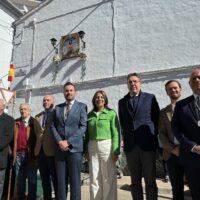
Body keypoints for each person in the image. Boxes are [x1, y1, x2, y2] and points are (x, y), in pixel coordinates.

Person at [118, 73, 160, 200]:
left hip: (147, 146)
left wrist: (153, 138)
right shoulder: (122, 102)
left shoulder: (150, 98)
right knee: (135, 182)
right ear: (127, 84)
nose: (133, 84)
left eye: (135, 81)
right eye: (130, 82)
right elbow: (123, 123)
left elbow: (156, 119)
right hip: (131, 147)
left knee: (150, 181)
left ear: (140, 83)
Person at [51, 82, 87, 200]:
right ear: (63, 92)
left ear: (75, 92)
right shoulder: (57, 108)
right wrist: (60, 141)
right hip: (60, 149)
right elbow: (53, 126)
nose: (69, 92)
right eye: (66, 90)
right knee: (61, 182)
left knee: (75, 181)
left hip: (75, 149)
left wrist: (69, 142)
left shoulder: (82, 106)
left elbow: (83, 127)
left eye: (71, 90)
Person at [85, 90, 120, 200]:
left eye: (102, 97)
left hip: (107, 145)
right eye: (97, 97)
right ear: (94, 100)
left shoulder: (111, 113)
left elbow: (116, 133)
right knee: (94, 176)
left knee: (108, 176)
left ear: (105, 99)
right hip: (92, 146)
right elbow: (86, 135)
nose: (99, 99)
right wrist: (86, 150)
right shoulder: (89, 115)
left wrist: (116, 150)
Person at [172, 69, 200, 200]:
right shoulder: (181, 105)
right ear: (189, 84)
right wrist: (192, 146)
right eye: (193, 79)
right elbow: (176, 128)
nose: (197, 80)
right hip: (192, 156)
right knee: (196, 192)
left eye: (199, 77)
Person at [159, 80, 184, 200]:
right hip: (172, 154)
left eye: (175, 88)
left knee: (196, 186)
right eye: (170, 89)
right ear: (167, 92)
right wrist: (172, 149)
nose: (173, 90)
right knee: (176, 188)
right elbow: (162, 134)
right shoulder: (164, 112)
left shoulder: (191, 105)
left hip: (191, 152)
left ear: (180, 88)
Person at [13, 103, 41, 200]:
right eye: (21, 109)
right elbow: (12, 140)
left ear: (29, 110)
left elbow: (39, 138)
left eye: (25, 109)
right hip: (18, 156)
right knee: (20, 181)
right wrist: (11, 152)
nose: (23, 111)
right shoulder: (16, 123)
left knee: (32, 181)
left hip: (31, 156)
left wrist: (36, 154)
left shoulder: (34, 122)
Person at [35, 95, 57, 200]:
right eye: (44, 100)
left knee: (55, 178)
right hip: (40, 152)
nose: (46, 102)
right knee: (44, 179)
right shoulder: (37, 116)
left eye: (48, 100)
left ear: (53, 102)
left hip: (52, 152)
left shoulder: (57, 114)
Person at [0, 99, 14, 199]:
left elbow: (7, 137)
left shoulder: (9, 120)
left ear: (3, 107)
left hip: (0, 157)